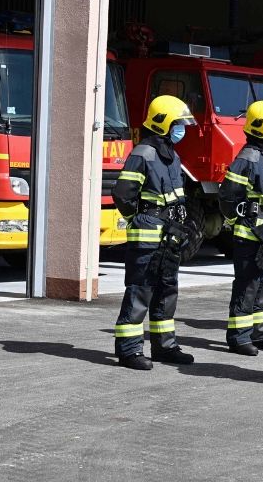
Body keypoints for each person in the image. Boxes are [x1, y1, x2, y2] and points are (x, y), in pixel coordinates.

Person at [111, 95, 196, 370]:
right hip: (148, 238)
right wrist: (140, 219)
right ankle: (129, 351)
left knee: (167, 291)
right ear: (162, 123)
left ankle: (165, 346)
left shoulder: (171, 154)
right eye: (178, 124)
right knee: (140, 291)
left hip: (170, 236)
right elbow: (124, 193)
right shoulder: (143, 153)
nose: (181, 130)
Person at [219, 101, 263, 356]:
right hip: (249, 235)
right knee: (247, 286)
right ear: (261, 128)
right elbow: (227, 196)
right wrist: (241, 218)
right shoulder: (248, 158)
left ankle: (259, 333)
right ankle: (238, 337)